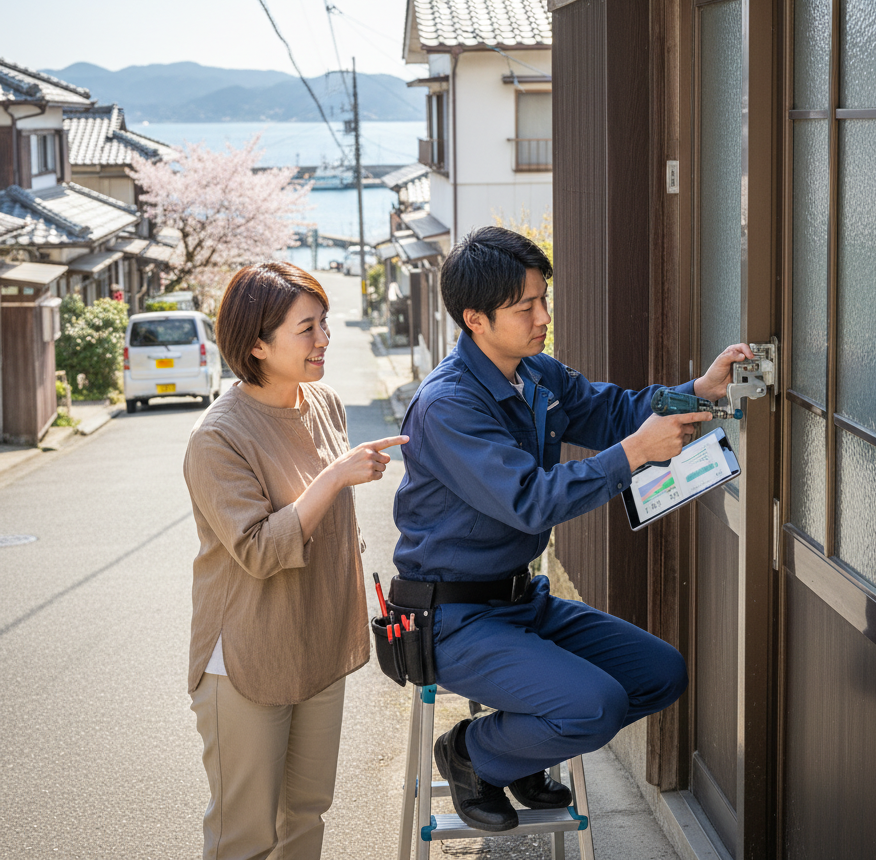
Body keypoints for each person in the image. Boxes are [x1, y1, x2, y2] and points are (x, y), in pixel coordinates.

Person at [390, 227, 753, 832]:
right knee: (596, 705)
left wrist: (697, 391)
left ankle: (517, 756)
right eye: (525, 306)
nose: (542, 316)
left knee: (661, 673)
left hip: (519, 602)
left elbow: (611, 410)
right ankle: (473, 754)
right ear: (475, 319)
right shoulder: (448, 405)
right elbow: (529, 501)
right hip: (450, 620)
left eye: (543, 298)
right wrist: (635, 454)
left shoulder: (532, 372)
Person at [183, 261, 406, 860]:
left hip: (314, 640)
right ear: (257, 344)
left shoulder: (324, 402)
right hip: (247, 656)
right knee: (244, 835)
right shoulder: (217, 438)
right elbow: (256, 548)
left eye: (324, 325)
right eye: (306, 329)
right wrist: (334, 477)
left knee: (306, 815)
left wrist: (340, 478)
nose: (324, 340)